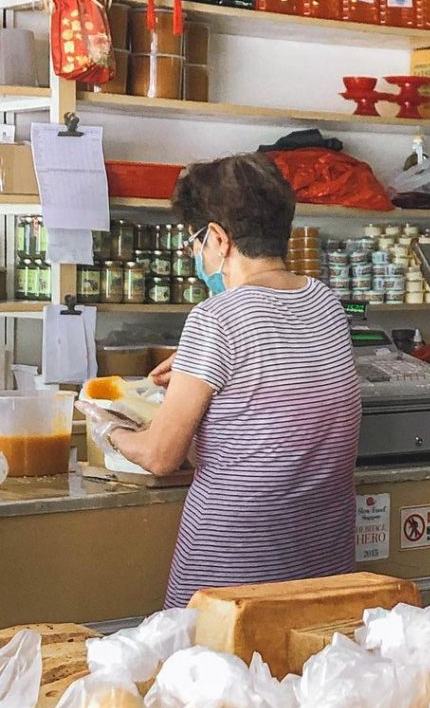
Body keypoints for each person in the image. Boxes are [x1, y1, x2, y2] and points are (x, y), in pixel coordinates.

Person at [94, 153, 361, 607]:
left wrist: (108, 429)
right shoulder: (326, 305)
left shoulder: (215, 319)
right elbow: (272, 402)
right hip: (320, 564)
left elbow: (161, 456)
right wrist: (203, 368)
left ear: (218, 238)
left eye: (194, 243)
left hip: (231, 570)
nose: (196, 255)